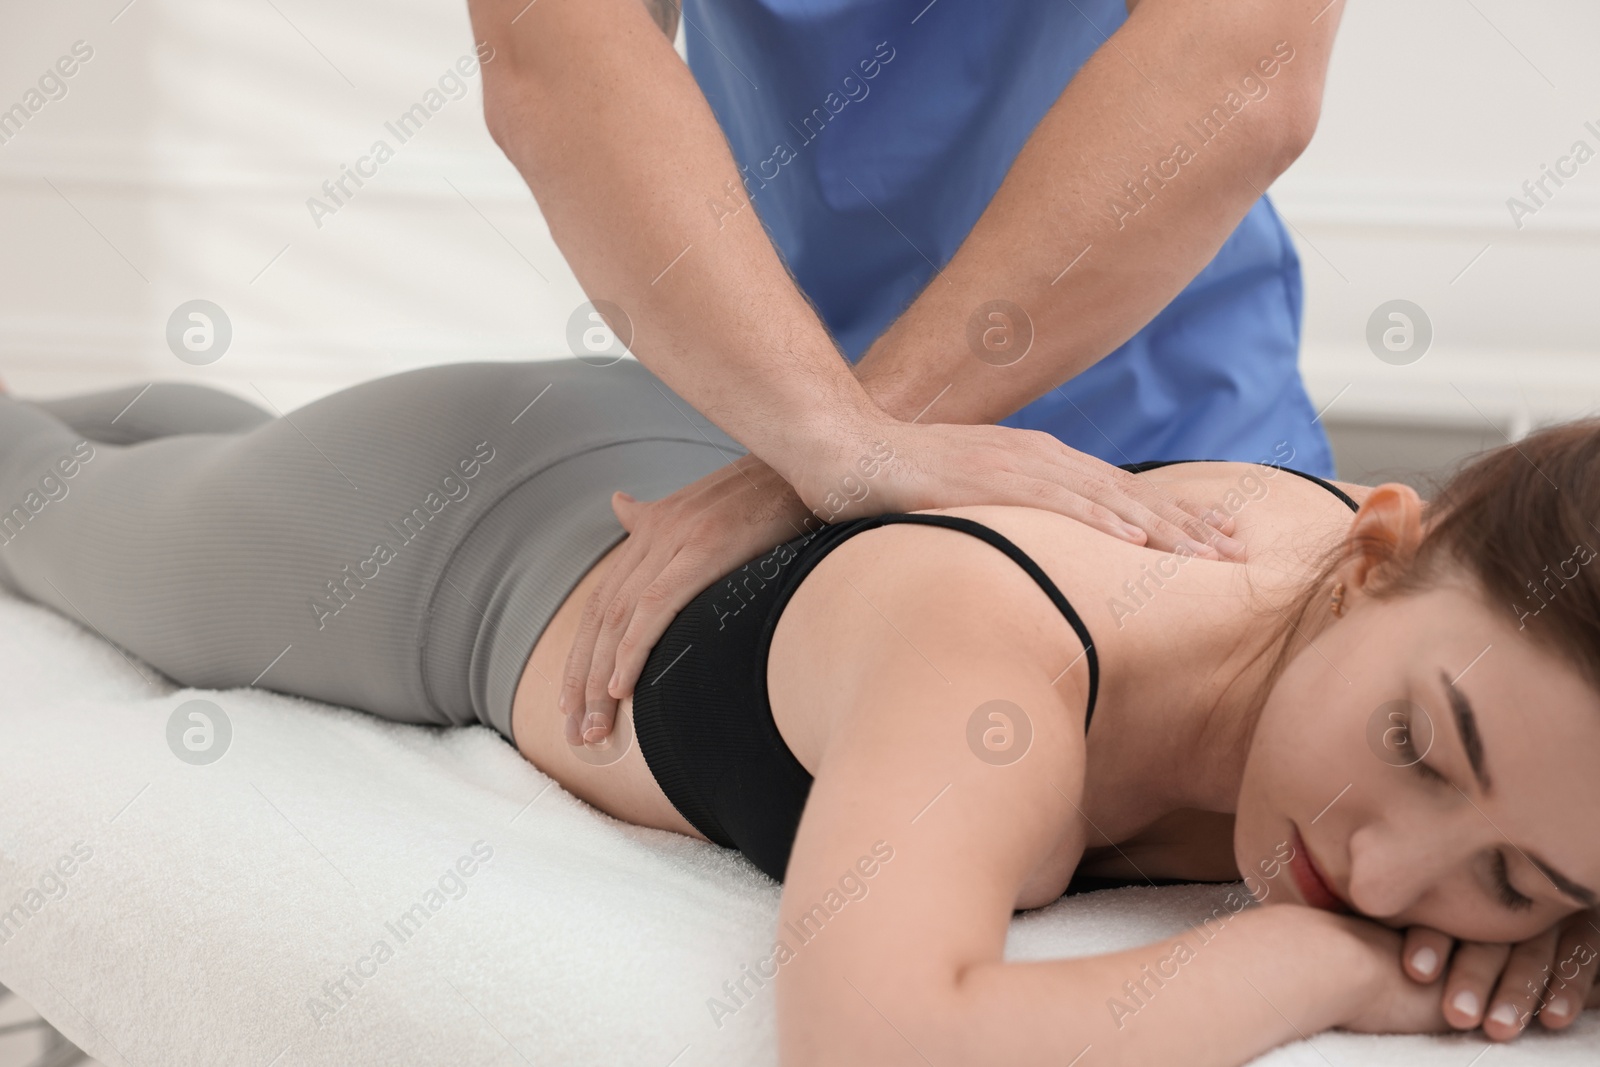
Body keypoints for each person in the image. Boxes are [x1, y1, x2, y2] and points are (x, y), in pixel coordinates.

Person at [1, 360, 1595, 1065]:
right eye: (1414, 746)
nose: (1390, 879)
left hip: (683, 457)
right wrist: (1303, 959)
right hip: (436, 527)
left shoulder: (1453, 670)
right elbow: (883, 1041)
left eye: (1518, 876)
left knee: (166, 436)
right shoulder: (1004, 668)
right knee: (45, 496)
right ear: (1377, 545)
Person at [463, 0, 1349, 746]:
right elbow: (553, 53)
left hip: (1167, 447)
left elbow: (1247, 68)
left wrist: (835, 454)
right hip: (783, 445)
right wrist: (829, 447)